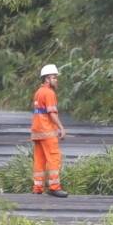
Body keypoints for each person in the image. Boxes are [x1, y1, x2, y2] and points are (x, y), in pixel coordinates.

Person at [31, 64, 67, 197]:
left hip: (37, 132)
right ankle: (54, 187)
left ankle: (38, 187)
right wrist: (61, 128)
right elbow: (52, 113)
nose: (56, 80)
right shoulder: (49, 93)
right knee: (54, 158)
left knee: (39, 160)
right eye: (54, 77)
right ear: (47, 79)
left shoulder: (38, 92)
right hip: (47, 132)